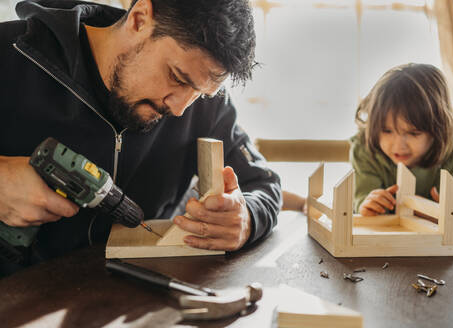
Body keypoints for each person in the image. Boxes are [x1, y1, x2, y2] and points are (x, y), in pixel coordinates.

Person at [0, 0, 281, 275]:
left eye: (199, 93)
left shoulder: (206, 105)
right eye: (177, 77)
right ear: (140, 19)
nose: (180, 109)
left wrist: (246, 220)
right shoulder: (11, 54)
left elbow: (264, 184)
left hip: (139, 303)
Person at [351, 63, 453, 229]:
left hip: (429, 246)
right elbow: (361, 201)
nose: (398, 146)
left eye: (413, 133)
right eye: (386, 131)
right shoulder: (364, 150)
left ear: (438, 130)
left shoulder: (450, 155)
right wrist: (369, 206)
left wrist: (451, 217)